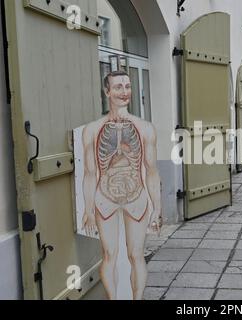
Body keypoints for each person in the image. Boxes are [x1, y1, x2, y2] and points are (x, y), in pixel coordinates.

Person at [82, 70, 162, 300]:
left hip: (136, 196)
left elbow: (152, 171)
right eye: (118, 87)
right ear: (107, 91)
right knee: (109, 255)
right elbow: (89, 173)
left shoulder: (145, 128)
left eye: (127, 86)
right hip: (104, 198)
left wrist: (157, 207)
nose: (124, 92)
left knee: (136, 254)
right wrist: (88, 209)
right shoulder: (93, 130)